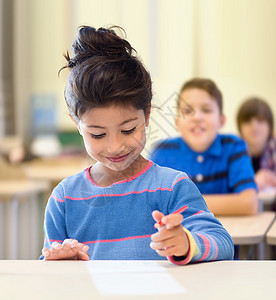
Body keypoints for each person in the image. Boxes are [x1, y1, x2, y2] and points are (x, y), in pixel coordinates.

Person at [41, 26, 234, 264]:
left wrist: (185, 243)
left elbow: (222, 242)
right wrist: (60, 264)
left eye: (128, 130)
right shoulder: (64, 199)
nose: (115, 146)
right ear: (77, 124)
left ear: (147, 114)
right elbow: (47, 266)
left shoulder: (172, 187)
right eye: (98, 134)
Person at [150, 78, 258, 216]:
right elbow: (148, 203)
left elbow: (248, 204)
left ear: (221, 120)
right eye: (188, 111)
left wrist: (178, 203)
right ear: (177, 122)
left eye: (206, 110)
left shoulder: (234, 147)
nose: (197, 117)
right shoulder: (161, 152)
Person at [237, 97, 276, 190]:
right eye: (247, 121)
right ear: (240, 128)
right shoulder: (233, 151)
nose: (254, 126)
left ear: (270, 126)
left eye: (260, 120)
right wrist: (252, 182)